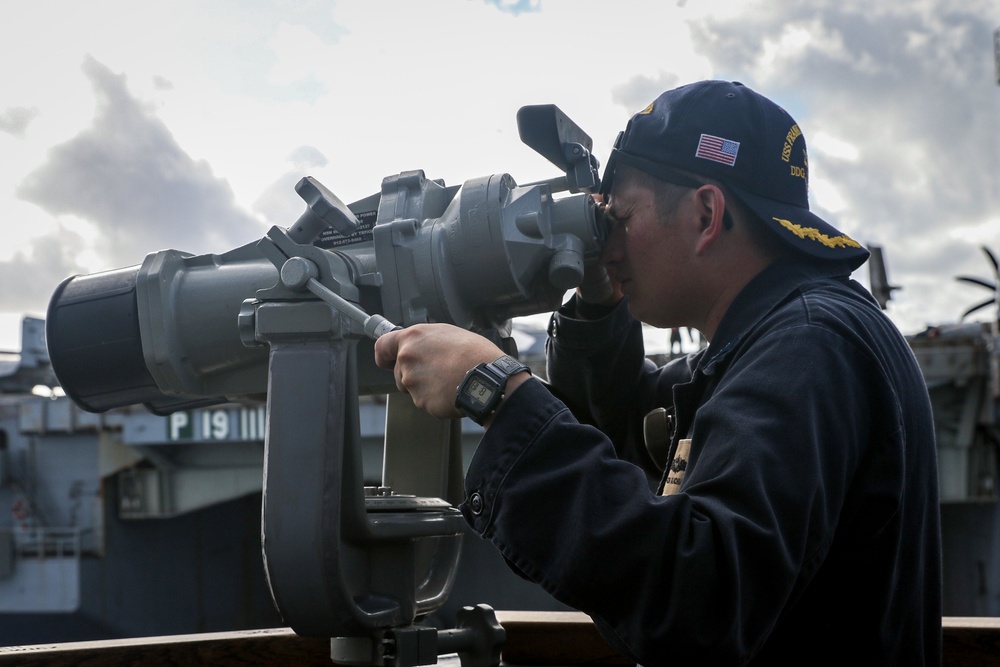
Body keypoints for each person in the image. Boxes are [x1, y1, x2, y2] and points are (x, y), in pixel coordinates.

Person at [374, 80, 941, 665]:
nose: (607, 247)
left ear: (706, 214)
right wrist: (597, 308)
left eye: (620, 218)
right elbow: (630, 428)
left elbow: (703, 601)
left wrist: (492, 390)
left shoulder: (808, 345)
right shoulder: (780, 339)